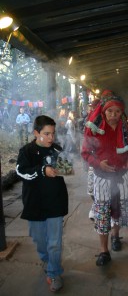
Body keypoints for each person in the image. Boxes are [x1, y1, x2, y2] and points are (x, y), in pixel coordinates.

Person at [81, 95, 128, 266]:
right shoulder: (95, 130)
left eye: (117, 111)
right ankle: (103, 251)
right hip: (102, 179)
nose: (113, 114)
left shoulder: (125, 130)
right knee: (102, 214)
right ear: (104, 112)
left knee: (118, 210)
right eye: (110, 111)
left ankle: (115, 236)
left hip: (120, 177)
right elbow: (85, 153)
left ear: (121, 113)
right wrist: (98, 163)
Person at [16, 115, 68, 292]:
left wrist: (66, 166)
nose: (51, 138)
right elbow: (21, 172)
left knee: (54, 242)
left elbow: (67, 168)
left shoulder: (57, 149)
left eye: (53, 134)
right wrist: (42, 170)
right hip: (34, 204)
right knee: (39, 240)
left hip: (55, 203)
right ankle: (47, 260)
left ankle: (54, 273)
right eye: (46, 134)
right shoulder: (26, 151)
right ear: (36, 133)